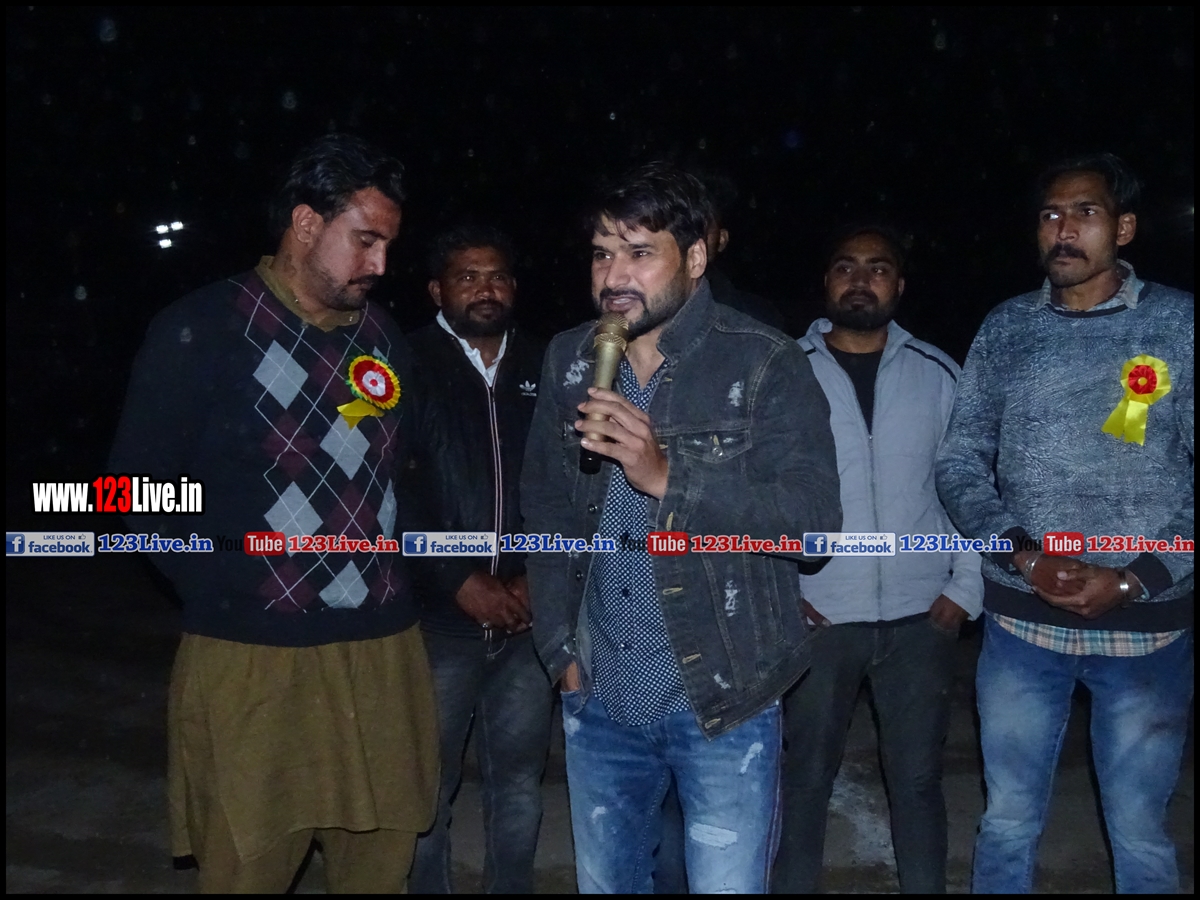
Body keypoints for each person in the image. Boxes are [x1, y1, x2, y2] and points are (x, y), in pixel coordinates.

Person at [108, 134, 439, 893]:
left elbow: (405, 472)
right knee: (244, 870)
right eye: (365, 240)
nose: (380, 264)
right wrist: (225, 584)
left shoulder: (383, 336)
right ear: (305, 223)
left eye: (389, 245)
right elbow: (128, 493)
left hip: (381, 655)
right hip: (253, 660)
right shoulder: (204, 326)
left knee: (380, 867)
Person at [520, 162, 842, 893]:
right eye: (602, 253)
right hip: (601, 690)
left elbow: (814, 526)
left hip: (723, 696)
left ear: (695, 258)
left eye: (640, 252)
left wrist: (671, 478)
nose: (614, 276)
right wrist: (558, 648)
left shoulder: (763, 360)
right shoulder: (571, 358)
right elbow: (546, 510)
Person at [936, 153, 1193, 894]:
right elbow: (959, 460)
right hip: (1023, 625)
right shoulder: (1007, 327)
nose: (1064, 229)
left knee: (1140, 831)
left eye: (1085, 213)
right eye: (1051, 214)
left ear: (1125, 227)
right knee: (1007, 820)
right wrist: (1021, 555)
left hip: (1148, 632)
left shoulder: (1179, 324)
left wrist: (1136, 578)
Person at [774, 225, 983, 894]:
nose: (861, 280)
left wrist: (966, 587)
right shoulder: (783, 371)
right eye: (846, 267)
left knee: (919, 782)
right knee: (804, 780)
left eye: (878, 267)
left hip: (921, 619)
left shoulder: (938, 373)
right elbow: (757, 492)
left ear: (900, 284)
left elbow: (968, 485)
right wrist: (778, 595)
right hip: (818, 619)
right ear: (826, 281)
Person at [406, 224, 552, 893]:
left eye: (496, 276)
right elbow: (383, 488)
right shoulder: (401, 363)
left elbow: (574, 481)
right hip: (437, 621)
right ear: (438, 290)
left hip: (527, 620)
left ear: (513, 287)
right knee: (426, 787)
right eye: (468, 277)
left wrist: (537, 573)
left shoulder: (550, 364)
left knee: (519, 782)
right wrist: (456, 578)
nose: (485, 289)